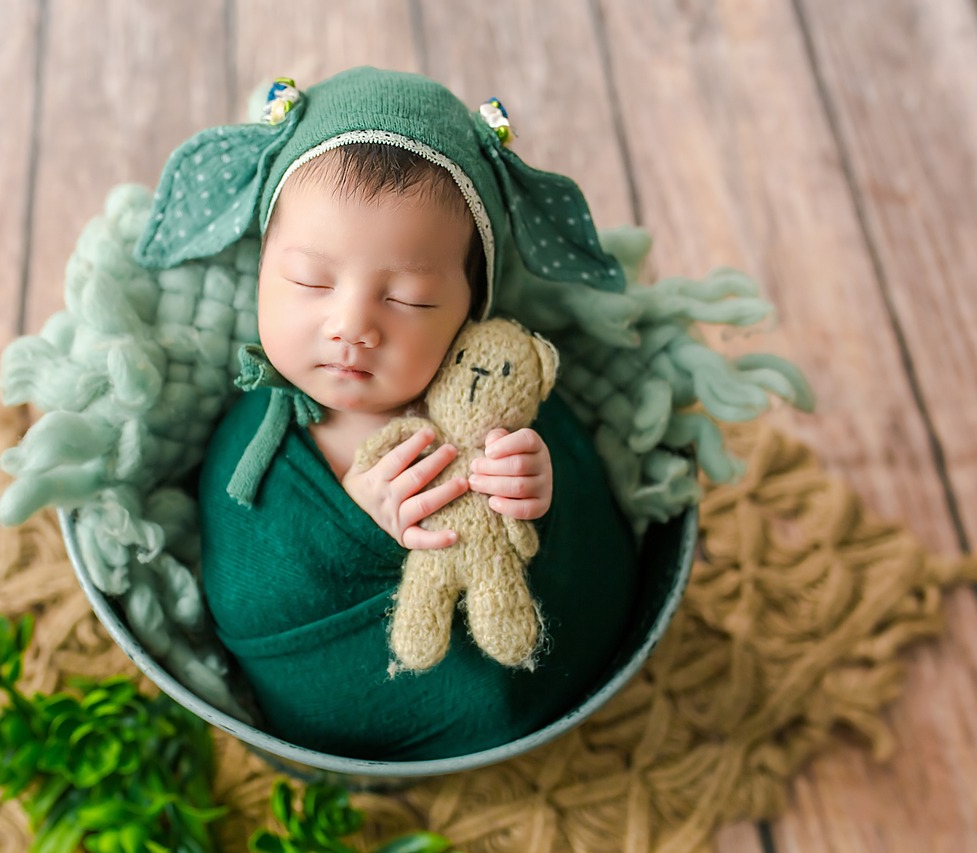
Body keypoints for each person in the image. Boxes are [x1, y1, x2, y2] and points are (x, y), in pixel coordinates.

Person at [151, 67, 639, 760]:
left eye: (408, 299)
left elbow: (580, 508)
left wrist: (536, 489)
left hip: (542, 665)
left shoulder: (493, 388)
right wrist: (354, 527)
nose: (352, 326)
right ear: (260, 267)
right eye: (309, 281)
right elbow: (243, 591)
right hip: (352, 691)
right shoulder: (255, 438)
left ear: (473, 307)